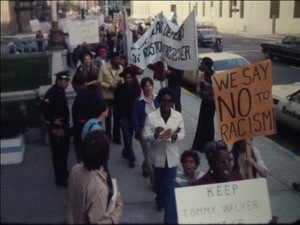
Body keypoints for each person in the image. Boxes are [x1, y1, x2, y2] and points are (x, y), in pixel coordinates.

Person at [142, 87, 185, 224]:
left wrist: (175, 136)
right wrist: (155, 135)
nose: (167, 104)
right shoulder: (151, 116)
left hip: (171, 155)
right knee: (159, 184)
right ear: (159, 101)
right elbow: (144, 135)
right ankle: (159, 201)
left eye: (169, 101)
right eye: (164, 101)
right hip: (158, 156)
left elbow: (182, 133)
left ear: (172, 102)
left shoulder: (177, 116)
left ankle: (168, 209)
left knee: (169, 185)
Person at [66, 130, 123, 224]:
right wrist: (118, 207)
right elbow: (100, 222)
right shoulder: (99, 189)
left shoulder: (75, 169)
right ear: (105, 157)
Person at [39, 71, 71, 187]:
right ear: (59, 81)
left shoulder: (60, 91)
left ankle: (64, 170)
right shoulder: (52, 92)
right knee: (58, 153)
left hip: (64, 125)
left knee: (64, 150)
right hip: (56, 128)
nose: (67, 83)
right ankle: (59, 178)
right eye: (65, 81)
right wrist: (53, 120)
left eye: (68, 81)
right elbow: (42, 108)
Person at [133, 77, 160, 187]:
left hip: (157, 131)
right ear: (142, 87)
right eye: (146, 86)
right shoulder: (138, 101)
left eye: (150, 85)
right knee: (149, 156)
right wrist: (138, 131)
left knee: (155, 152)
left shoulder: (158, 98)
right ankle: (154, 182)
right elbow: (134, 117)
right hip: (145, 131)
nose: (148, 88)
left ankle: (144, 167)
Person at [114, 67, 141, 168]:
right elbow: (116, 105)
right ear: (124, 78)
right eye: (126, 78)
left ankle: (125, 151)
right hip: (123, 116)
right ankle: (131, 158)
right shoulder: (119, 89)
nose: (128, 79)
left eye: (130, 77)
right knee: (126, 135)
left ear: (132, 78)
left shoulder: (136, 89)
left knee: (130, 135)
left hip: (133, 117)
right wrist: (119, 118)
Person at [71, 72, 99, 163]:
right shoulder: (93, 94)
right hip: (94, 132)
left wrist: (68, 132)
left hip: (82, 135)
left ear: (76, 85)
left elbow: (79, 122)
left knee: (83, 161)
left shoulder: (78, 99)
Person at [191, 57, 216, 152]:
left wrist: (203, 93)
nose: (201, 66)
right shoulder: (203, 75)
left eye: (202, 64)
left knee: (209, 124)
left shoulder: (214, 76)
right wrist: (199, 88)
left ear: (207, 66)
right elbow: (199, 87)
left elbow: (213, 92)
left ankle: (208, 146)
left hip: (211, 103)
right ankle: (198, 146)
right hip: (205, 102)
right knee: (201, 122)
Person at [98, 51, 123, 144]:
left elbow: (124, 78)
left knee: (117, 117)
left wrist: (122, 82)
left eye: (119, 59)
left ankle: (117, 137)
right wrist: (109, 86)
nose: (118, 61)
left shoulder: (121, 68)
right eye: (116, 60)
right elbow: (100, 81)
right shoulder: (103, 68)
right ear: (111, 60)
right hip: (107, 96)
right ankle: (108, 136)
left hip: (117, 96)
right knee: (107, 117)